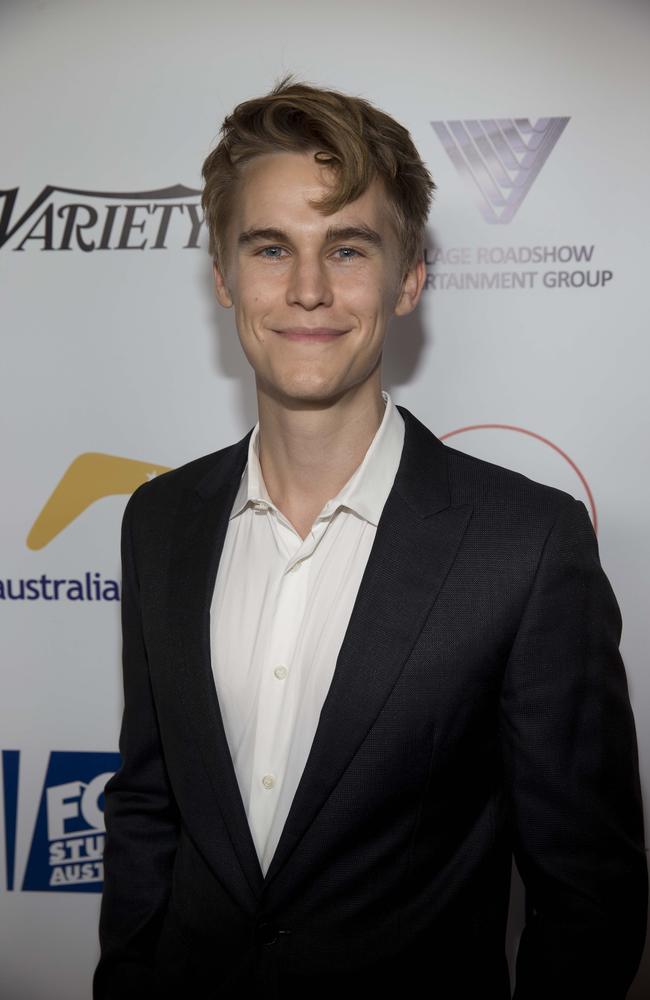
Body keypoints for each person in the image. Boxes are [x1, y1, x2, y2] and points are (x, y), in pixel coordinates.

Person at [93, 75, 647, 1000]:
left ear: (410, 277)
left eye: (348, 248)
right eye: (272, 247)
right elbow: (149, 805)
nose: (308, 290)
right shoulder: (161, 520)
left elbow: (588, 893)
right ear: (224, 276)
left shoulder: (527, 546)